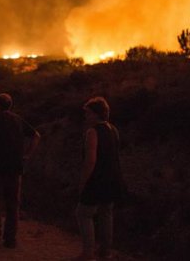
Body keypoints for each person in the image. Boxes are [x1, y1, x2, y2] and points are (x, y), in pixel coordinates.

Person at [0, 93, 40, 248]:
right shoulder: (18, 120)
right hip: (15, 168)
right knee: (12, 205)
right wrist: (27, 155)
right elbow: (36, 136)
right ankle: (10, 239)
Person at [74, 97, 124, 260]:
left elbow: (90, 160)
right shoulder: (113, 129)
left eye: (88, 113)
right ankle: (105, 251)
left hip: (97, 179)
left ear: (96, 114)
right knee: (106, 213)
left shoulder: (92, 132)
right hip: (112, 177)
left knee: (83, 213)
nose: (86, 116)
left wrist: (83, 182)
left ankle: (88, 253)